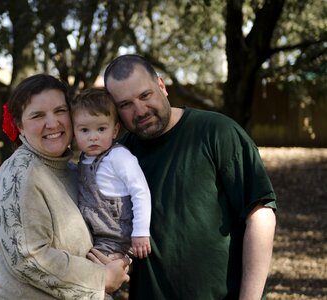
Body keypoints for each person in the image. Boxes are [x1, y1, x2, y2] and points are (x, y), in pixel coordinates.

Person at [99, 54, 277, 299]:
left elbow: (260, 214)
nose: (139, 110)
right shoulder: (118, 156)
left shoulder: (217, 132)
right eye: (125, 104)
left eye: (145, 95)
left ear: (161, 86)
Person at [0, 74, 130, 300]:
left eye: (60, 111)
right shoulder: (20, 175)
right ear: (20, 126)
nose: (53, 123)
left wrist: (116, 258)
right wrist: (101, 278)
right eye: (38, 115)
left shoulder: (73, 170)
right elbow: (28, 259)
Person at [70, 87, 152, 259]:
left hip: (118, 237)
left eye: (101, 129)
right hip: (93, 234)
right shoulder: (83, 159)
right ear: (74, 132)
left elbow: (140, 192)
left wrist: (141, 232)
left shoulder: (118, 157)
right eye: (85, 130)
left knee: (96, 269)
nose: (93, 137)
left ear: (114, 131)